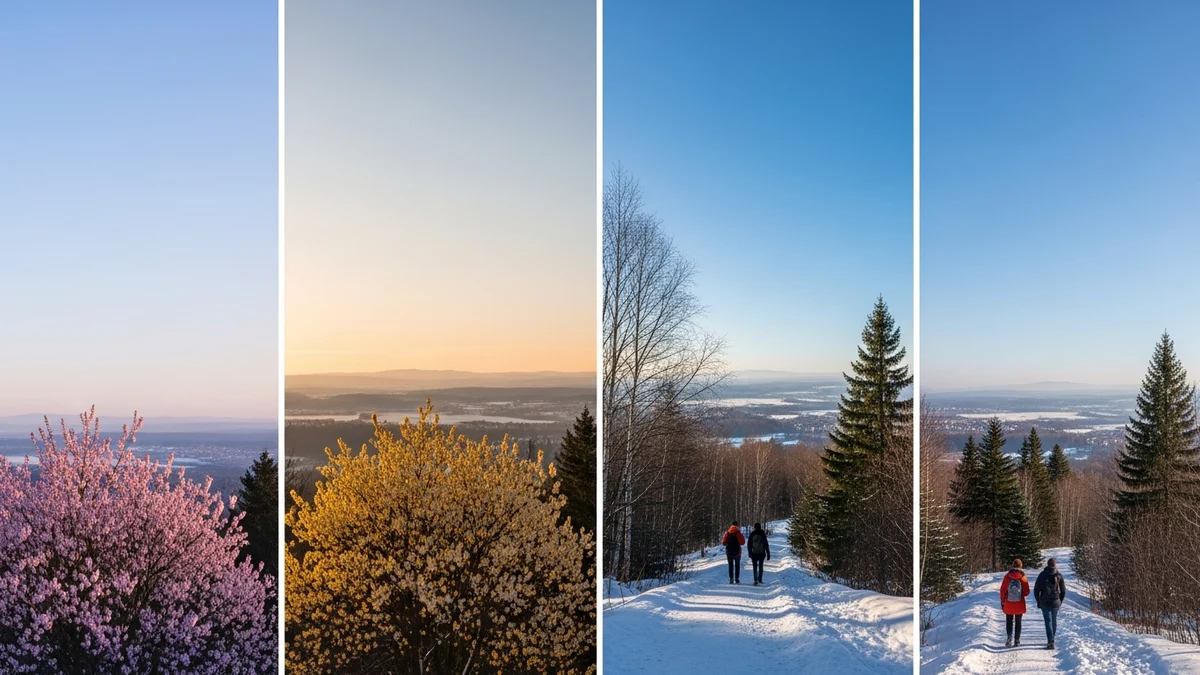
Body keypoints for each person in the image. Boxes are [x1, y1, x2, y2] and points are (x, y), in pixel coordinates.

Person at [1033, 557, 1067, 649]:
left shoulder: (1042, 575)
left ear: (1047, 565)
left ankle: (1050, 641)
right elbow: (1063, 591)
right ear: (1055, 565)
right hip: (1055, 601)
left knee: (1048, 621)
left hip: (1044, 601)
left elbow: (1036, 590)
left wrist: (1038, 601)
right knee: (1054, 620)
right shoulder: (1059, 575)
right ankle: (1052, 640)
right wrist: (1060, 601)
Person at [1000, 558, 1030, 648]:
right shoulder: (1023, 577)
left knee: (1009, 621)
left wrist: (1002, 601)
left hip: (1008, 602)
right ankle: (1017, 640)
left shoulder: (1007, 576)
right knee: (1018, 621)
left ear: (1013, 566)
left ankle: (1009, 637)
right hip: (1019, 603)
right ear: (1021, 566)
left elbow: (1003, 590)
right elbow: (1027, 592)